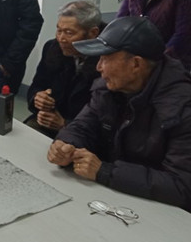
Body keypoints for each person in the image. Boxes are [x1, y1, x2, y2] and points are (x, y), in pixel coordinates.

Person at [47, 17, 191, 210]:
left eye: (105, 59)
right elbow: (82, 126)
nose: (98, 67)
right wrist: (66, 145)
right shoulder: (109, 88)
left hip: (162, 213)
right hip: (117, 196)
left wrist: (106, 172)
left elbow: (181, 186)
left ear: (136, 64)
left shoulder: (181, 108)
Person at [25, 0, 103, 138]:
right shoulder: (52, 49)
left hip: (86, 134)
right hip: (47, 121)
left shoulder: (107, 62)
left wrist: (65, 124)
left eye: (69, 32)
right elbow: (37, 85)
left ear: (93, 33)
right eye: (59, 30)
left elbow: (104, 118)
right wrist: (38, 98)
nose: (61, 39)